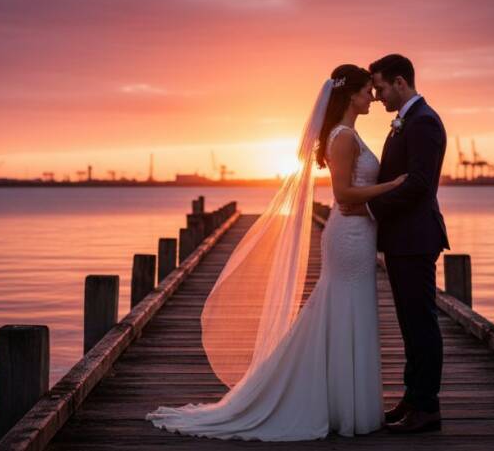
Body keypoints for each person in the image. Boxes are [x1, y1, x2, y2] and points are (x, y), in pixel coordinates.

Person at [146, 64, 406, 440]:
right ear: (351, 95)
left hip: (358, 234)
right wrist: (391, 187)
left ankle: (345, 405)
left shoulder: (348, 134)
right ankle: (341, 406)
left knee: (350, 311)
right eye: (368, 91)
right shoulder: (343, 137)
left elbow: (352, 194)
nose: (373, 98)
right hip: (349, 237)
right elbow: (343, 194)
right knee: (345, 309)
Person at [341, 54, 450, 433]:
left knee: (421, 323)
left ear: (400, 82)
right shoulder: (408, 121)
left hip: (416, 238)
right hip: (403, 238)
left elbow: (418, 183)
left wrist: (368, 207)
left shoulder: (424, 122)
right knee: (410, 323)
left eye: (381, 87)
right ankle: (413, 398)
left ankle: (427, 407)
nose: (377, 96)